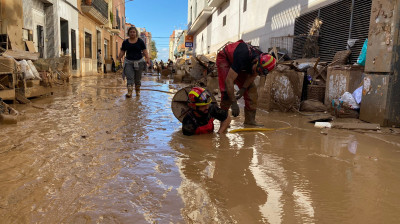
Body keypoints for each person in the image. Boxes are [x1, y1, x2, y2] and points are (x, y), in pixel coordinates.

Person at [217, 39, 276, 126]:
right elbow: (229, 80)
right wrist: (233, 103)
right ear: (256, 62)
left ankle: (250, 120)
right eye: (257, 70)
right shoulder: (242, 56)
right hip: (225, 58)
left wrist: (243, 89)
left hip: (243, 63)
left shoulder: (260, 61)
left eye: (259, 73)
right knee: (226, 92)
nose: (256, 73)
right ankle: (224, 120)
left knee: (251, 90)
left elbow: (252, 75)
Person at [117, 26, 150, 97]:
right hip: (128, 62)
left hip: (139, 62)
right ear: (128, 33)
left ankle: (137, 91)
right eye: (131, 32)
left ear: (136, 33)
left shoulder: (140, 41)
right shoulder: (125, 42)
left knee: (138, 78)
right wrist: (119, 58)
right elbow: (122, 51)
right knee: (129, 77)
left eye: (134, 32)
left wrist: (148, 59)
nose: (132, 33)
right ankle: (129, 92)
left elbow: (145, 51)